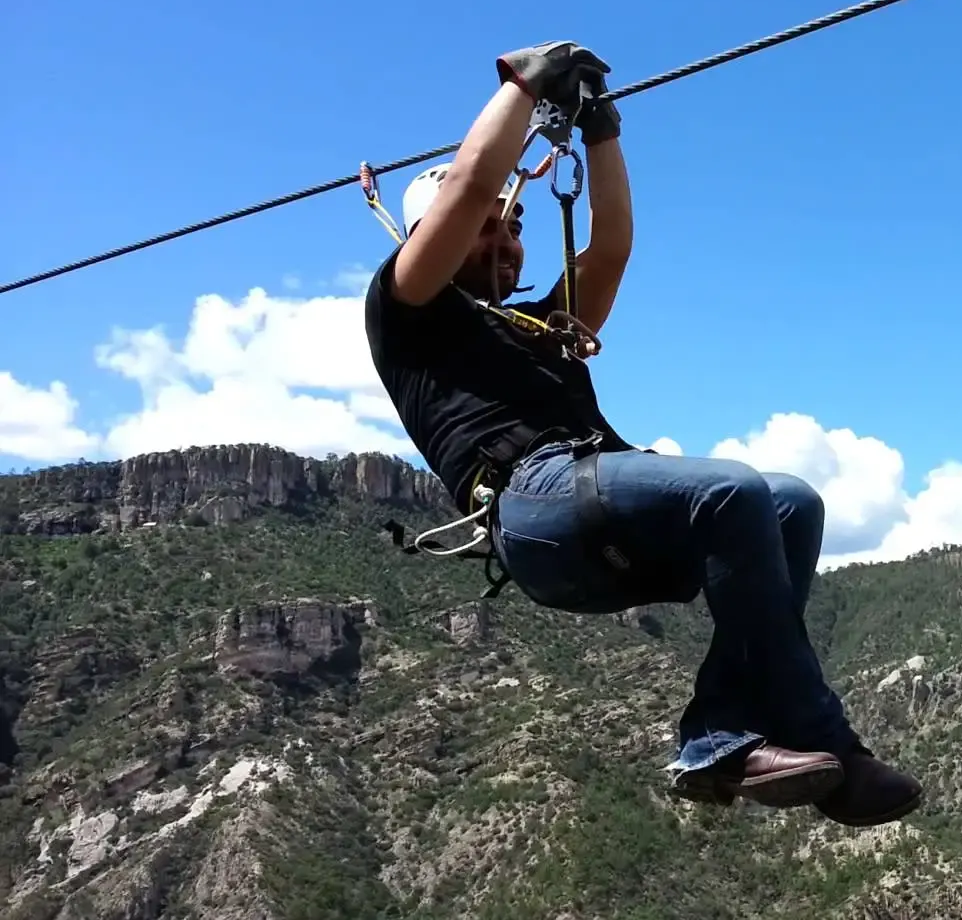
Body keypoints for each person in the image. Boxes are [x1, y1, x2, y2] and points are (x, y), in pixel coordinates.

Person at [362, 41, 921, 827]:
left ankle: (723, 736)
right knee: (733, 490)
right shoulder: (406, 307)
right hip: (533, 500)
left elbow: (613, 245)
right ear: (429, 237)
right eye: (488, 229)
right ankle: (828, 741)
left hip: (590, 506)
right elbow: (470, 184)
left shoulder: (543, 327)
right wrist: (525, 85)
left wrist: (602, 131)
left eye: (515, 227)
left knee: (793, 502)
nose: (507, 240)